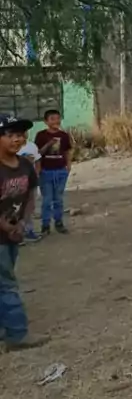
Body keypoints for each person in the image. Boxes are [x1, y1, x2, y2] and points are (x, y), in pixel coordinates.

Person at [0, 115, 50, 351]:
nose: (17, 139)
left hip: (12, 234)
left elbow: (30, 195)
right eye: (10, 134)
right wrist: (5, 225)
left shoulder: (25, 165)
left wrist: (22, 224)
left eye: (20, 134)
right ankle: (17, 335)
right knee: (7, 284)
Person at [35, 109, 72, 235]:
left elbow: (67, 151)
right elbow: (38, 154)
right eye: (52, 119)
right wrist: (38, 169)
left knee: (58, 199)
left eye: (58, 118)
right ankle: (45, 225)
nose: (56, 121)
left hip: (61, 171)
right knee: (47, 200)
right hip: (46, 172)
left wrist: (68, 165)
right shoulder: (41, 135)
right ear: (46, 121)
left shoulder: (64, 135)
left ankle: (59, 223)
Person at [18, 133, 41, 242]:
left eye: (25, 131)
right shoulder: (11, 148)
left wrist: (36, 175)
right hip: (16, 182)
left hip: (30, 180)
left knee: (29, 206)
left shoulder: (32, 146)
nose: (23, 134)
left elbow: (37, 162)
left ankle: (29, 230)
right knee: (16, 208)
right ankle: (16, 233)